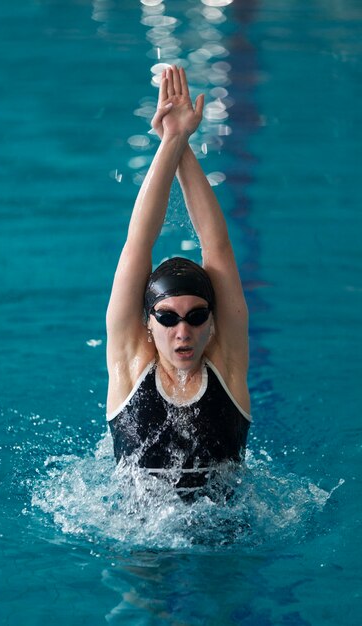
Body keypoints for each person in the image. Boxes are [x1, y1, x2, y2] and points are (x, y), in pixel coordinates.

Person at [106, 65, 251, 499]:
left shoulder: (226, 366)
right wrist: (172, 141)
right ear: (147, 323)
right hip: (141, 541)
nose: (182, 331)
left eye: (196, 316)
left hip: (226, 539)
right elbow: (138, 243)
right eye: (167, 318)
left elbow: (217, 248)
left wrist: (179, 140)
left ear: (213, 322)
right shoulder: (131, 366)